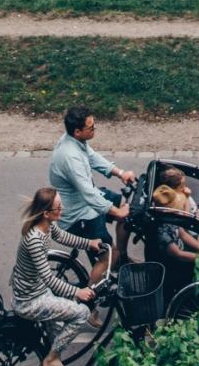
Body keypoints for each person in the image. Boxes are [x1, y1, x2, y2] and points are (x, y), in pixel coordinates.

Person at [11, 187, 101, 366]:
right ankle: (50, 362)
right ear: (46, 213)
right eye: (58, 208)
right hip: (30, 300)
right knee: (81, 312)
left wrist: (89, 243)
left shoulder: (47, 225)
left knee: (57, 332)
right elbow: (49, 279)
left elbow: (62, 236)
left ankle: (51, 359)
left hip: (38, 290)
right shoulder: (35, 239)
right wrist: (78, 292)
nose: (63, 210)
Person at [49, 107, 137, 286]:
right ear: (78, 131)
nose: (95, 129)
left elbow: (92, 157)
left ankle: (121, 258)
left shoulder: (75, 141)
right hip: (80, 215)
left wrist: (120, 173)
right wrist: (116, 213)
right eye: (91, 127)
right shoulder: (70, 158)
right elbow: (88, 193)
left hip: (87, 201)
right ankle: (89, 301)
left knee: (127, 209)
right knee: (107, 255)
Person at [152, 185, 199, 264]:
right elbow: (179, 254)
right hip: (177, 259)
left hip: (182, 244)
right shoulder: (162, 232)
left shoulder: (172, 219)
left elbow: (183, 234)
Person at [156, 166, 199, 252]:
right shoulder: (173, 200)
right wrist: (186, 197)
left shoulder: (179, 194)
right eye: (182, 185)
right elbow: (186, 217)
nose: (185, 187)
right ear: (172, 188)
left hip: (191, 224)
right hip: (188, 229)